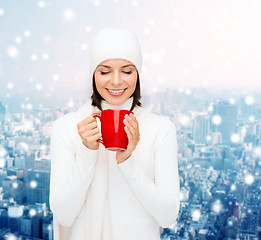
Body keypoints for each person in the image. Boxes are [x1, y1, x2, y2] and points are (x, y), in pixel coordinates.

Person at [49, 27, 180, 240]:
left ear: (138, 74)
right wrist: (87, 152)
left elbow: (168, 216)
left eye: (127, 71)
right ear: (93, 74)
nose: (117, 81)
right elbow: (63, 215)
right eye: (104, 71)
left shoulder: (161, 129)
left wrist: (127, 161)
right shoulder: (67, 128)